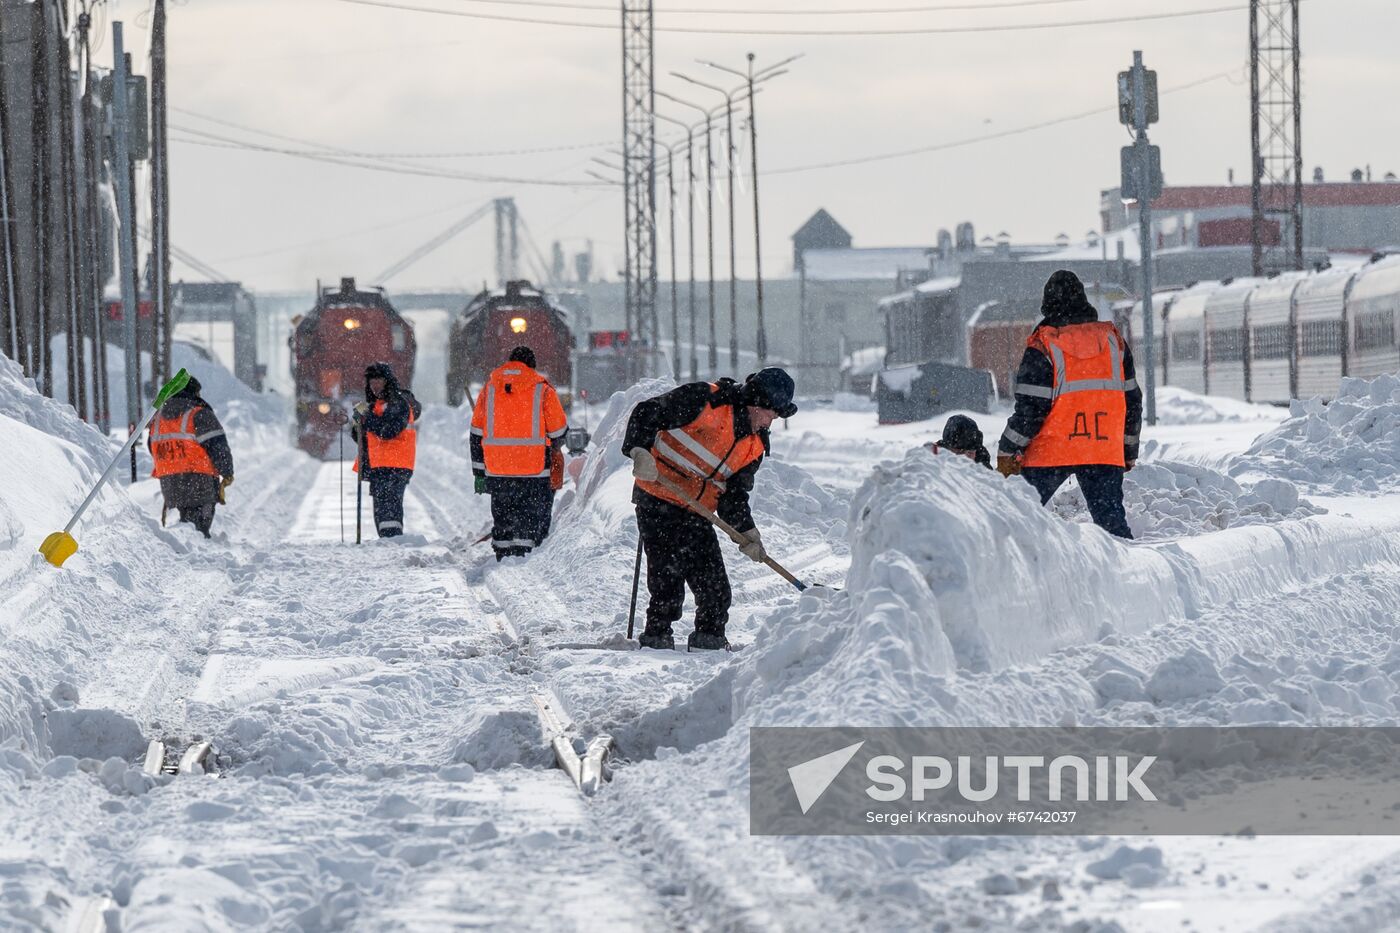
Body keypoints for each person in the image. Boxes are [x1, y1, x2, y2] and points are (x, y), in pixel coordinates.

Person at [622, 368, 798, 651]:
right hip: (657, 496)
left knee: (715, 589)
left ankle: (709, 643)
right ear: (757, 404)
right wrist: (638, 450)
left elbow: (733, 496)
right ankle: (656, 639)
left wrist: (747, 533)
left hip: (696, 510)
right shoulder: (706, 400)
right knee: (667, 579)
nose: (771, 421)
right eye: (772, 414)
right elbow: (646, 412)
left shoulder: (754, 446)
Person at [996, 270, 1142, 539]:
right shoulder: (1114, 343)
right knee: (1113, 530)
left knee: (1015, 520)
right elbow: (1132, 400)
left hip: (1052, 450)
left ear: (1047, 306)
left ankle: (1011, 571)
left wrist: (1008, 447)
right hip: (1102, 448)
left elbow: (1031, 410)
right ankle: (1131, 576)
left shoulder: (1043, 346)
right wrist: (1128, 449)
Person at [470, 347, 568, 560]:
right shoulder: (542, 389)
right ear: (531, 366)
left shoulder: (490, 388)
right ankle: (526, 556)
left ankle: (503, 552)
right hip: (534, 469)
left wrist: (479, 471)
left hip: (498, 469)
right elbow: (559, 431)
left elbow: (476, 433)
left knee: (503, 513)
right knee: (530, 516)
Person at [148, 375, 234, 538]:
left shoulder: (157, 418)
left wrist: (173, 462)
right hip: (200, 481)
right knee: (199, 528)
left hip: (169, 483)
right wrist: (227, 472)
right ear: (193, 392)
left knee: (184, 525)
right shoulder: (198, 414)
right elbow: (217, 446)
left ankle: (183, 551)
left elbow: (152, 447)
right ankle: (198, 557)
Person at [352, 362, 421, 538]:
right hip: (379, 465)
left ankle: (393, 542)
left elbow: (388, 431)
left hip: (395, 465)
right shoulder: (374, 406)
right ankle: (388, 543)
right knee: (381, 509)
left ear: (387, 381)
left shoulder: (398, 404)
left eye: (379, 381)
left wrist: (366, 419)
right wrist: (356, 424)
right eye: (372, 382)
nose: (375, 385)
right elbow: (362, 438)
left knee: (389, 507)